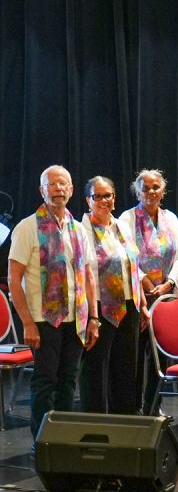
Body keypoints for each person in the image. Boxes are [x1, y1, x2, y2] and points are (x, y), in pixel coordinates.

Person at [9, 166, 98, 438]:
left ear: (71, 190)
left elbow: (88, 275)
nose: (59, 189)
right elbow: (14, 280)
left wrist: (93, 318)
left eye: (64, 184)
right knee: (46, 382)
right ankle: (43, 441)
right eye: (53, 184)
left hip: (76, 319)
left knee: (69, 382)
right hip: (43, 320)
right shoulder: (27, 228)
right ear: (42, 190)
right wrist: (27, 323)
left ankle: (65, 439)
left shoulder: (79, 228)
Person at [118, 169, 178, 416]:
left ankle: (153, 406)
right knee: (136, 356)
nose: (150, 192)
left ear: (163, 190)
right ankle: (134, 408)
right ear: (137, 191)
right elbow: (127, 257)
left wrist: (169, 282)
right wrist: (146, 282)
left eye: (155, 187)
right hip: (138, 297)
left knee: (162, 356)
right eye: (145, 188)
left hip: (165, 296)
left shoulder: (172, 219)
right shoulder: (126, 219)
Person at [78, 176, 139, 416]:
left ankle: (124, 419)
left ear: (114, 198)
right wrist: (91, 314)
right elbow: (83, 273)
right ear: (88, 200)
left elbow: (132, 265)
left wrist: (141, 304)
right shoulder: (82, 229)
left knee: (125, 368)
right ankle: (96, 422)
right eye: (97, 196)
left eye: (108, 195)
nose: (104, 200)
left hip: (128, 304)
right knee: (96, 369)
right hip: (99, 306)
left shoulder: (121, 225)